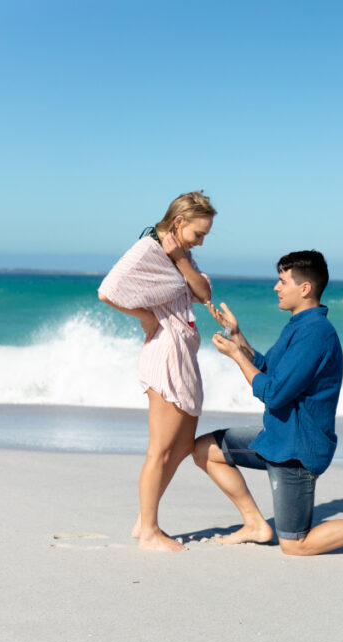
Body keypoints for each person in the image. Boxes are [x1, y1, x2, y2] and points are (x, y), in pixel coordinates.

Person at [191, 250, 343, 557]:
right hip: (278, 438)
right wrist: (237, 335)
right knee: (205, 449)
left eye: (282, 281)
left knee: (296, 545)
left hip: (297, 450)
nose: (276, 287)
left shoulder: (316, 334)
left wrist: (235, 356)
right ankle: (255, 525)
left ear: (305, 288)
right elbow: (269, 368)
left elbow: (275, 394)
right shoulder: (299, 324)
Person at [98, 190, 216, 552]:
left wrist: (181, 257)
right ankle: (149, 531)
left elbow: (203, 293)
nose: (201, 241)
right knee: (160, 450)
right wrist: (145, 316)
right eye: (198, 233)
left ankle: (143, 520)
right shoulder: (147, 250)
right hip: (164, 354)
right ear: (179, 222)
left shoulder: (182, 255)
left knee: (180, 447)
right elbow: (108, 290)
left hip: (183, 353)